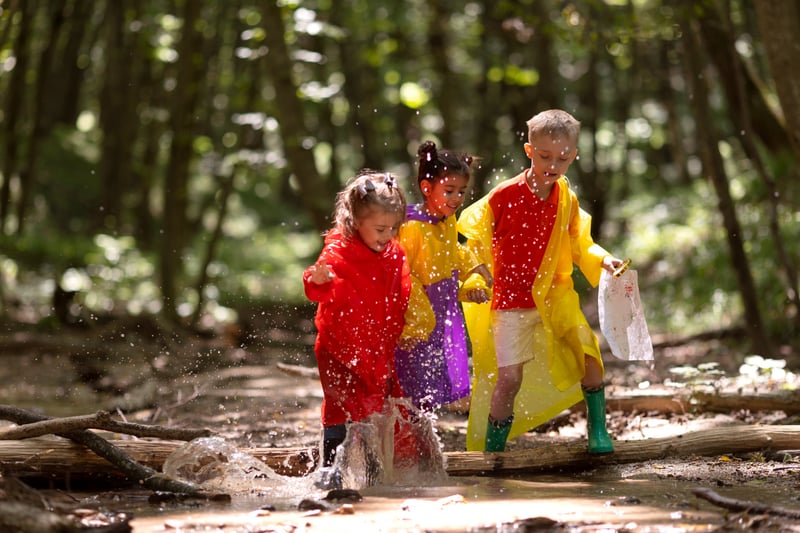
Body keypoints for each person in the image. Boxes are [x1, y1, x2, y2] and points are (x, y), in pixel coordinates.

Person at [457, 109, 625, 453]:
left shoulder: (567, 198)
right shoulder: (503, 196)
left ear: (573, 155)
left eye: (563, 158)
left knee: (589, 357)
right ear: (529, 151)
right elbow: (473, 242)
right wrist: (476, 279)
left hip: (554, 296)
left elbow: (580, 242)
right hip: (511, 300)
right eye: (545, 156)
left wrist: (603, 259)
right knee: (509, 379)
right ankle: (493, 448)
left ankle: (598, 430)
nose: (553, 165)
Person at [303, 170, 412, 467]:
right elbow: (317, 285)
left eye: (393, 228)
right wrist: (318, 280)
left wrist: (405, 329)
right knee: (338, 408)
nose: (387, 236)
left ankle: (372, 472)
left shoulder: (394, 253)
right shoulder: (339, 250)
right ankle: (330, 470)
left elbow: (401, 294)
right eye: (380, 229)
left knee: (373, 410)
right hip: (339, 348)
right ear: (355, 221)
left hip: (376, 347)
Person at [395, 141, 492, 412]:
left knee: (432, 380)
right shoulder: (412, 227)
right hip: (415, 319)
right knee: (410, 379)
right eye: (449, 191)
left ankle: (423, 429)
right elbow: (402, 275)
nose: (457, 198)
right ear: (427, 188)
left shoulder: (446, 220)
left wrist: (474, 270)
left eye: (462, 191)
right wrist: (417, 322)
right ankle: (404, 430)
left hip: (440, 314)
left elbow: (452, 253)